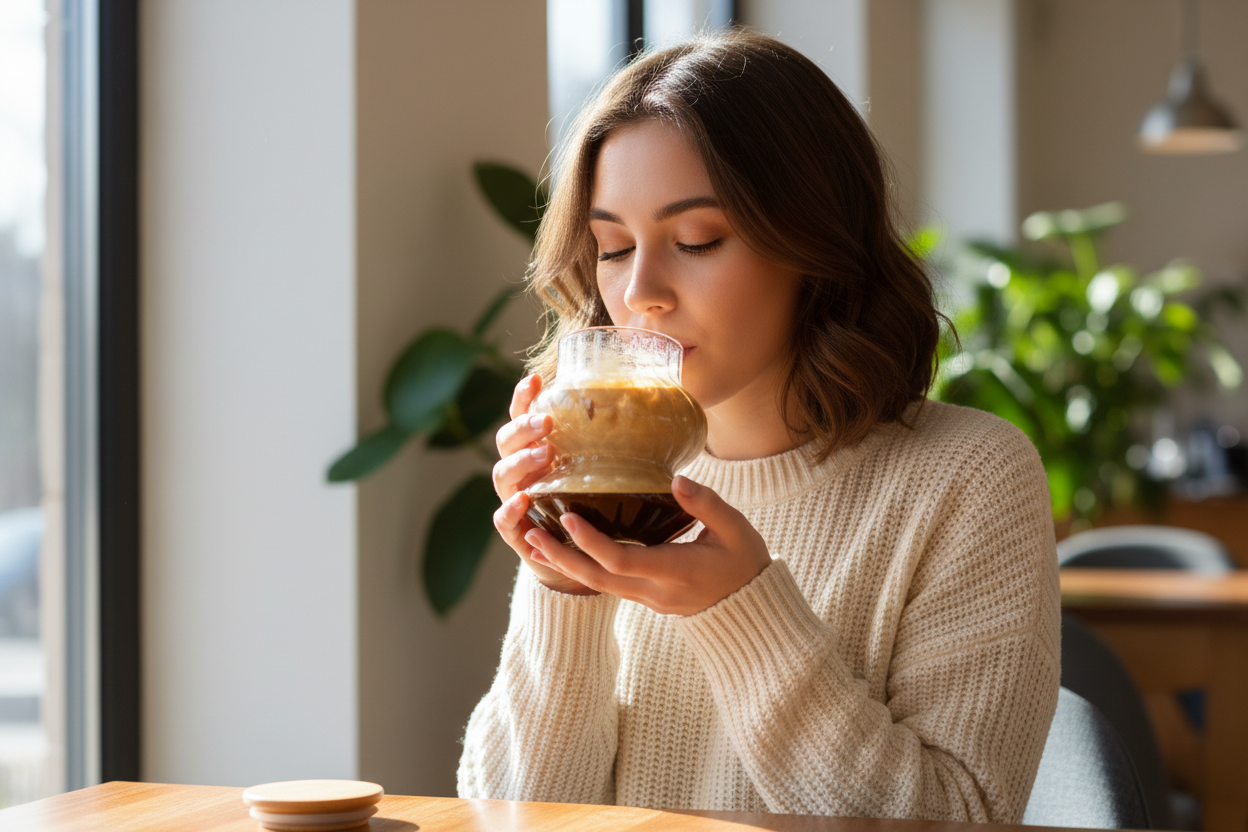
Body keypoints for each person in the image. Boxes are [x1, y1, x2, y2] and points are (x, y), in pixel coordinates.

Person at [459, 29, 1059, 823]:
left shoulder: (969, 478)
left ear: (815, 244)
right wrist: (562, 585)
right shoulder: (612, 484)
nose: (641, 291)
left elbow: (957, 817)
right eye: (611, 247)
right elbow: (510, 814)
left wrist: (741, 606)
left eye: (697, 240)